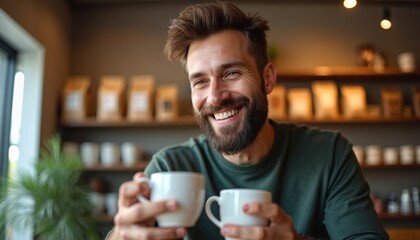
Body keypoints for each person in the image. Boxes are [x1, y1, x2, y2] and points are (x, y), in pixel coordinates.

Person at [108, 1, 388, 239]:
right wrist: (122, 235)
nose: (215, 97)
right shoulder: (168, 169)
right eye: (201, 81)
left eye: (231, 73)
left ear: (268, 78)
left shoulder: (329, 156)